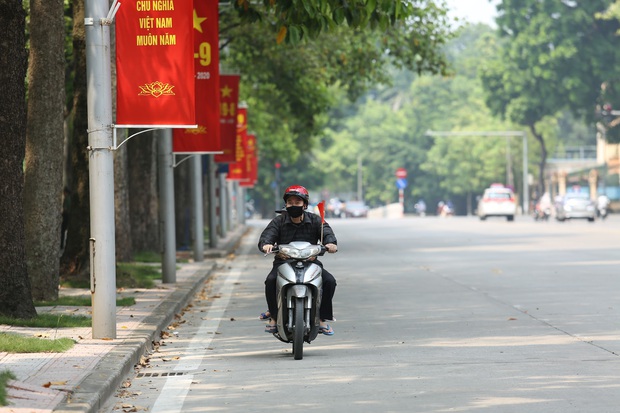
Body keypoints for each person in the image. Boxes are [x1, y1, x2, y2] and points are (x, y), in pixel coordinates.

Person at [258, 185, 338, 335]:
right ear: (286, 204)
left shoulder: (315, 220)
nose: (293, 205)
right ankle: (274, 316)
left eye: (297, 202)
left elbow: (327, 233)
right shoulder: (279, 221)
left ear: (305, 205)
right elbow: (267, 236)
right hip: (283, 262)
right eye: (290, 202)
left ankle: (322, 318)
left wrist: (330, 243)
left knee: (329, 281)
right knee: (271, 280)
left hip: (311, 262)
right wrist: (267, 244)